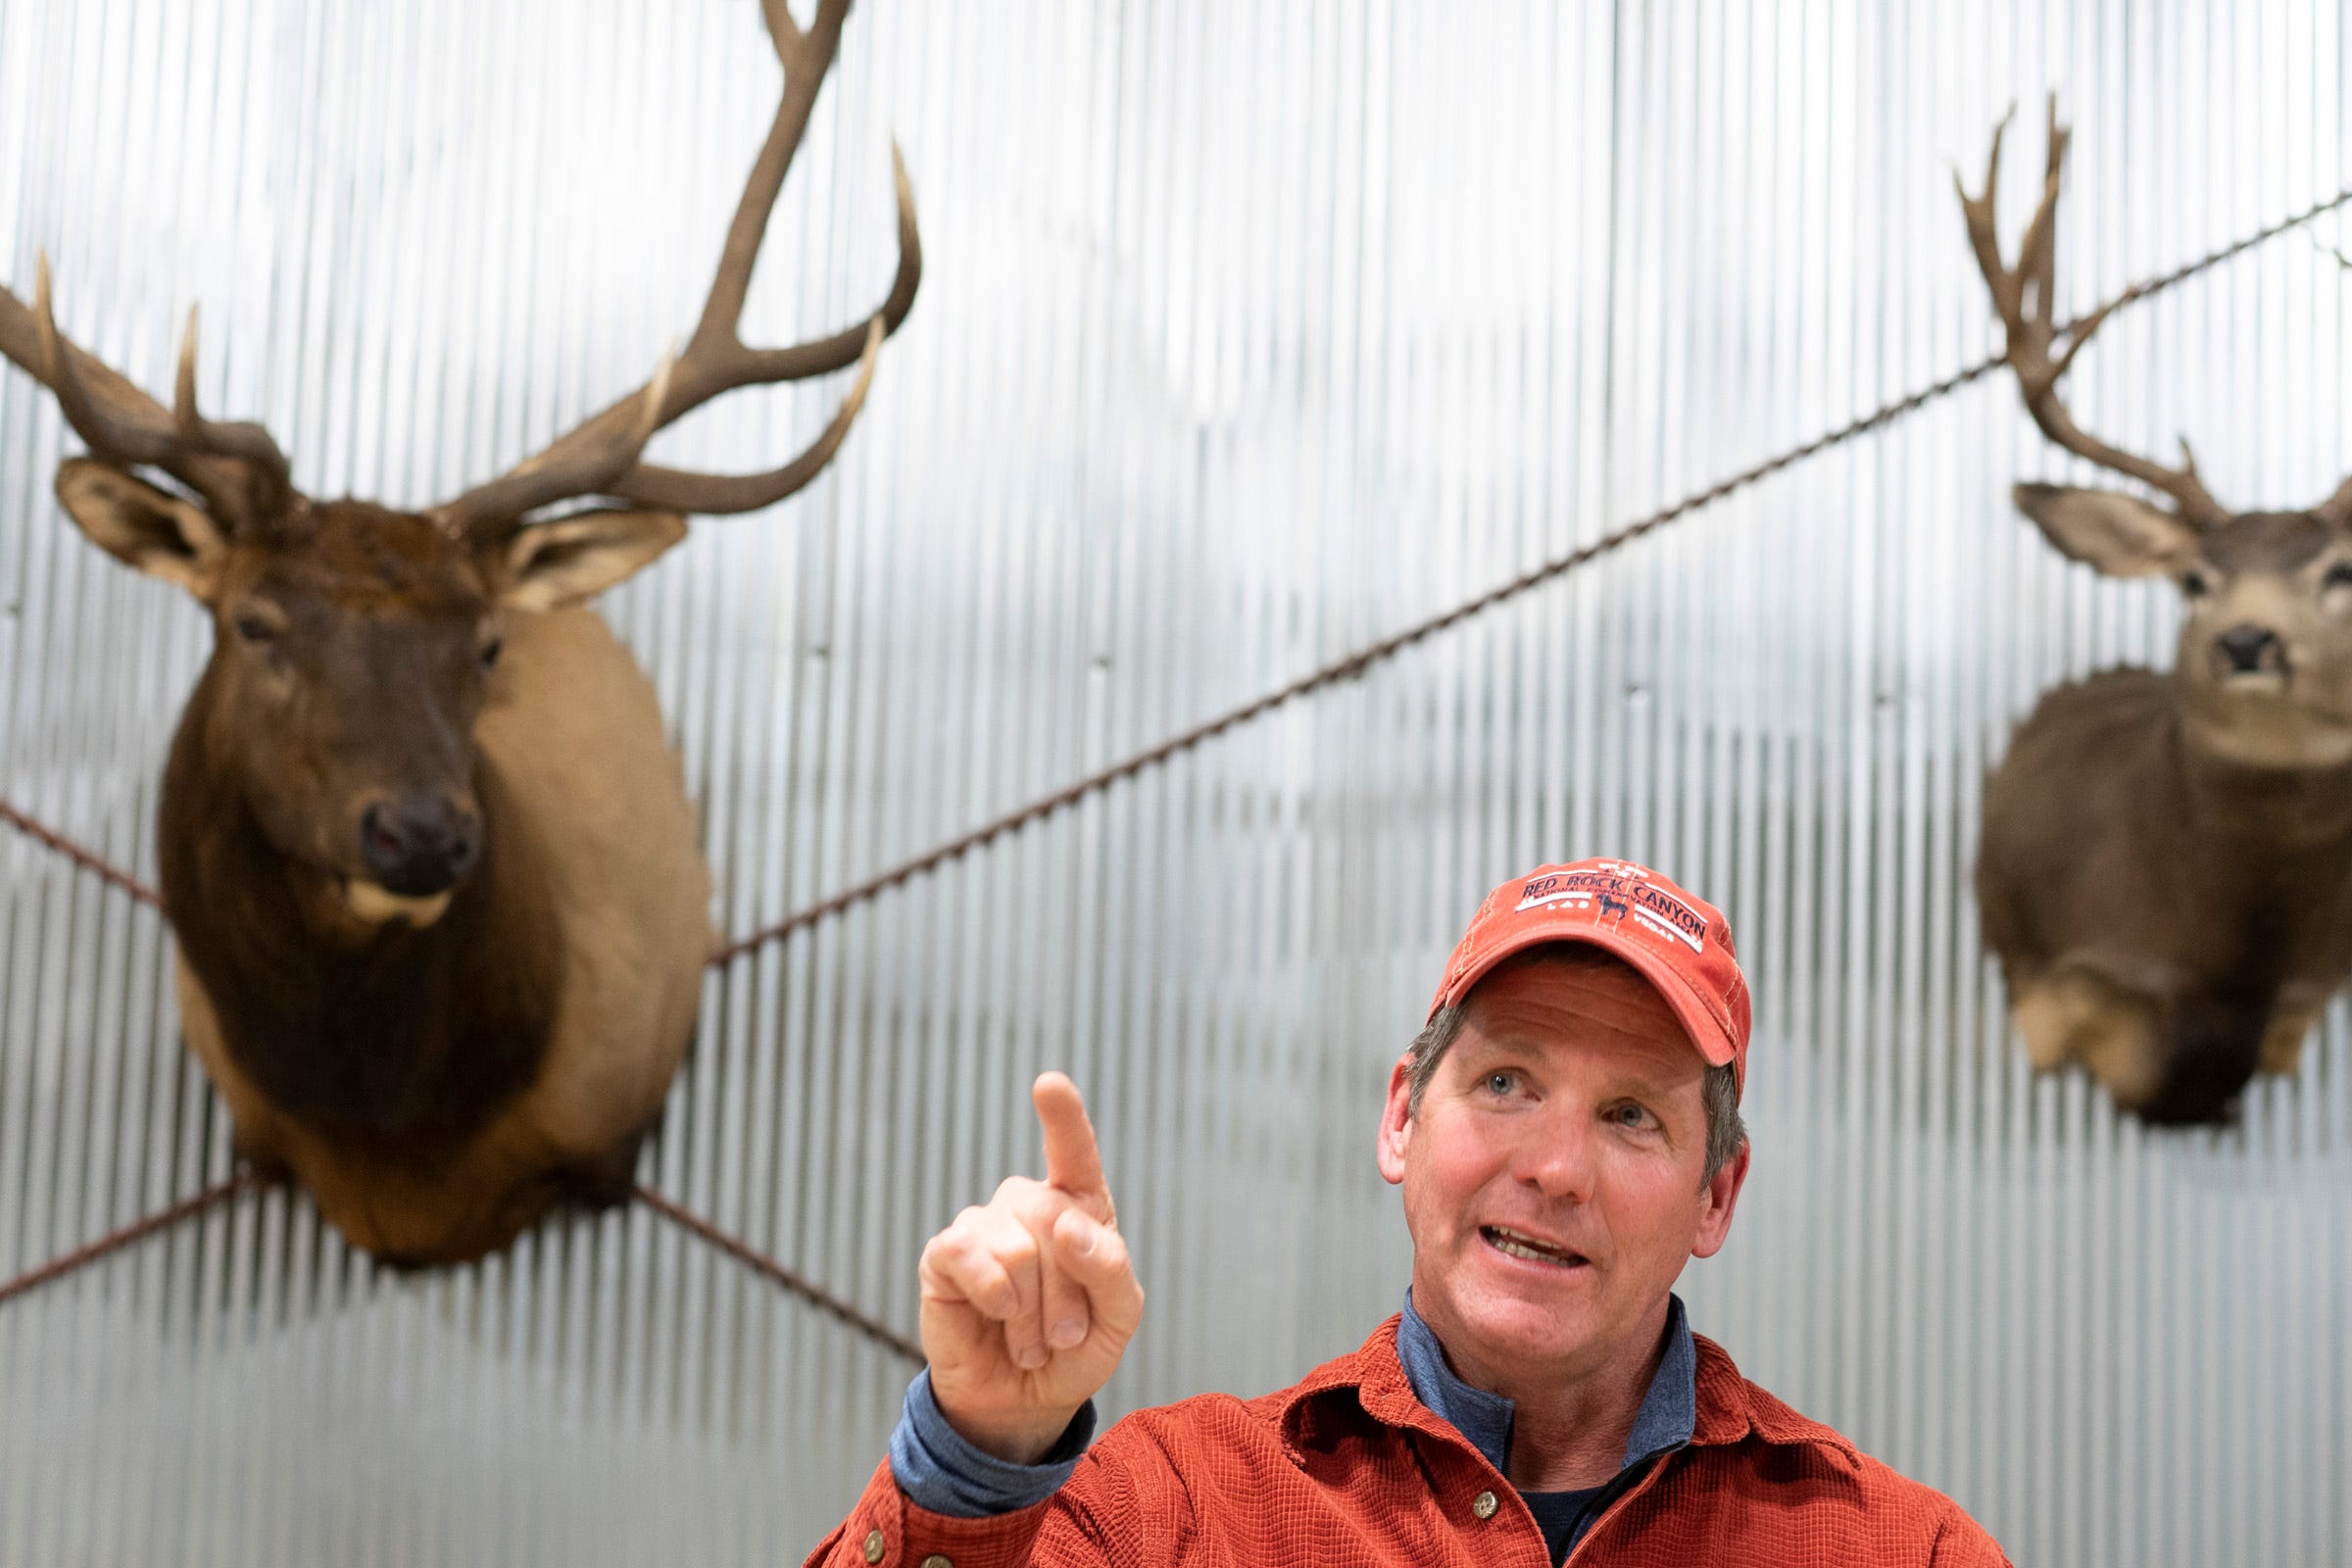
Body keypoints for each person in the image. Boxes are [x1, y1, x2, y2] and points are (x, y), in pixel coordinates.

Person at [806, 857, 2010, 1566]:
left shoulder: (1902, 1552)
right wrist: (978, 1454)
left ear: (1717, 1194)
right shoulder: (1169, 1515)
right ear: (1401, 1119)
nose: (1555, 1168)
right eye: (1506, 1082)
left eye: (1632, 1114)